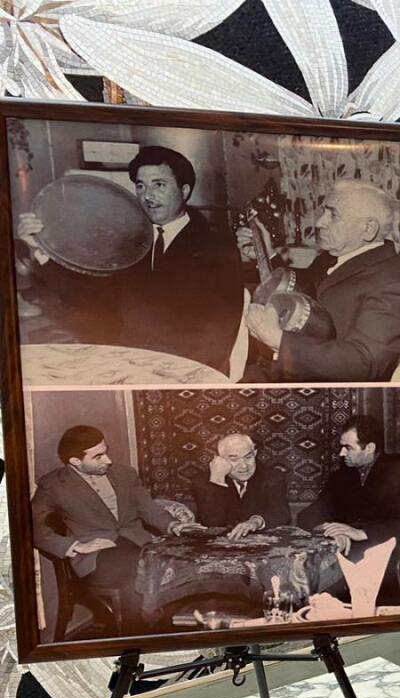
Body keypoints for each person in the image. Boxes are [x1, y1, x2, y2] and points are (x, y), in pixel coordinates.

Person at [18, 145, 244, 374]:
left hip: (185, 371)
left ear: (184, 190)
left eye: (159, 185)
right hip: (127, 364)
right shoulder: (127, 242)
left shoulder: (216, 246)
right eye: (140, 185)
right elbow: (91, 299)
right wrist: (41, 250)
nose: (148, 196)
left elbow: (219, 330)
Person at [244, 179, 400, 382]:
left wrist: (279, 340)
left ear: (368, 229)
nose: (319, 222)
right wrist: (267, 254)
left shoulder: (396, 285)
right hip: (287, 371)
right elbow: (304, 290)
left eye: (333, 215)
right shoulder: (334, 257)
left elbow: (363, 363)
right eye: (323, 211)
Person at [32, 425, 202, 630]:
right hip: (97, 557)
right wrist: (74, 546)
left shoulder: (125, 474)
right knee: (146, 567)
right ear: (75, 461)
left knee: (161, 566)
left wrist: (173, 525)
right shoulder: (54, 484)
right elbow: (31, 526)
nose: (108, 460)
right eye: (98, 457)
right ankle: (150, 632)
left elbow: (148, 508)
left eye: (106, 452)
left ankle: (148, 632)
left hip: (137, 544)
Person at [299, 415, 400, 604]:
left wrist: (363, 533)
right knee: (312, 587)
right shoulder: (341, 476)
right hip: (353, 553)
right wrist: (332, 530)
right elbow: (307, 515)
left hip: (398, 551)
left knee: (329, 590)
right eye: (341, 447)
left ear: (370, 447)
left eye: (348, 447)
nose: (341, 453)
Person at [192, 433, 290, 538]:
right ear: (220, 461)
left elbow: (281, 512)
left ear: (255, 453)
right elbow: (211, 522)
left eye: (248, 457)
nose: (244, 466)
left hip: (260, 543)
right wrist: (218, 480)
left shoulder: (272, 476)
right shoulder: (203, 481)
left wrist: (256, 521)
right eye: (234, 459)